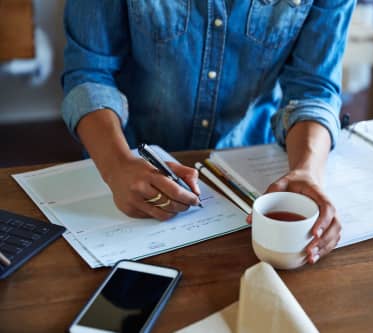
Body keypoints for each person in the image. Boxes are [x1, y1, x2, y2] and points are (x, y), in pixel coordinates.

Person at [61, 0, 356, 264]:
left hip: (249, 177)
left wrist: (307, 171)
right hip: (127, 159)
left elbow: (313, 89)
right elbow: (89, 72)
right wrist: (116, 165)